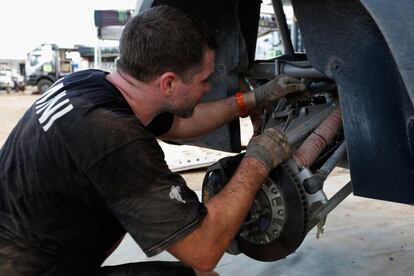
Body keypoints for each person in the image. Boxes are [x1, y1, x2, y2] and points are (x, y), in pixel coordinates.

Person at [0, 6, 305, 276]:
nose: (209, 86)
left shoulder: (90, 84)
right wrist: (257, 160)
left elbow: (180, 124)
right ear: (169, 82)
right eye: (203, 80)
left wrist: (254, 98)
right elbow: (204, 249)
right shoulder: (114, 138)